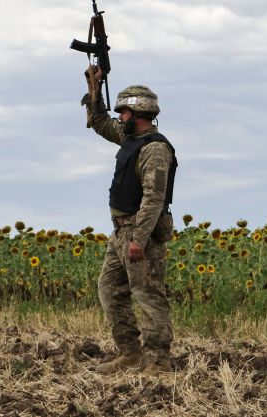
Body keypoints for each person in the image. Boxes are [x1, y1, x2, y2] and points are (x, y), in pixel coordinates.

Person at [82, 67, 177, 376]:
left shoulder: (155, 149)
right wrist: (94, 88)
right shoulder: (129, 138)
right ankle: (130, 354)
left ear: (138, 114)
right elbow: (99, 123)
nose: (119, 117)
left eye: (123, 112)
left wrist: (139, 239)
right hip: (120, 232)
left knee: (148, 296)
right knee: (110, 289)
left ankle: (158, 362)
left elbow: (154, 198)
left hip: (139, 233)